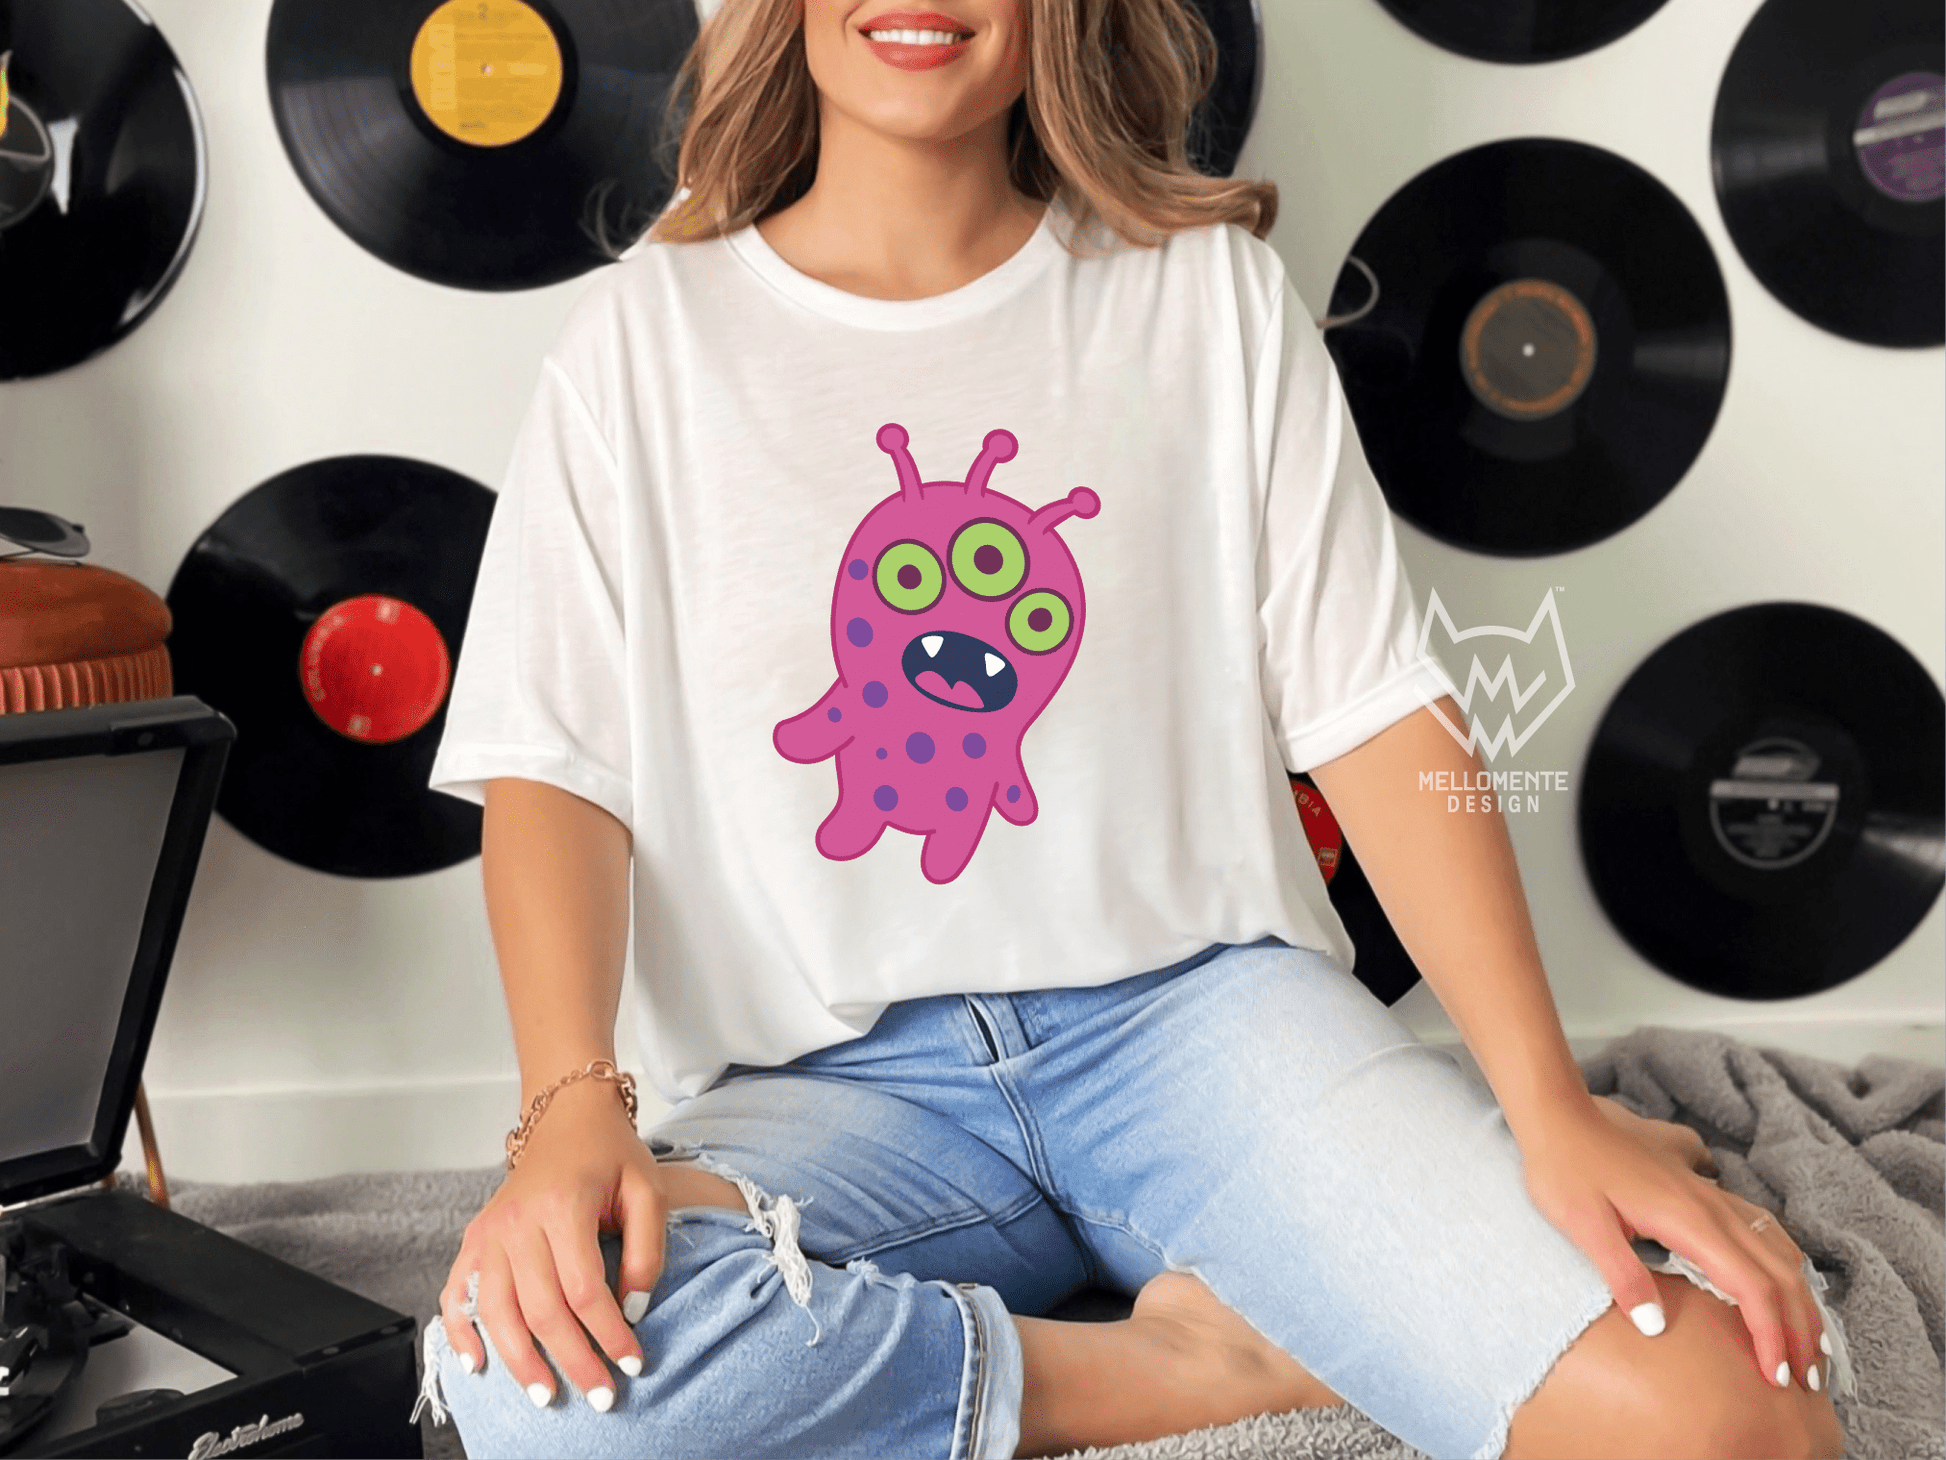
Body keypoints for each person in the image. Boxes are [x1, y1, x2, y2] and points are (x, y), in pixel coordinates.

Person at [414, 2, 1848, 1456]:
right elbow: (553, 774)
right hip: (829, 1095)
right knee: (534, 1386)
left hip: (1203, 1029)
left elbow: (1377, 716)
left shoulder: (1205, 296)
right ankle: (1201, 1364)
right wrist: (569, 1113)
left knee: (1726, 1412)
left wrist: (1548, 1108)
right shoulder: (635, 344)